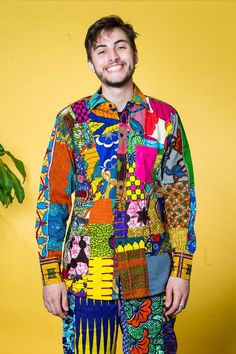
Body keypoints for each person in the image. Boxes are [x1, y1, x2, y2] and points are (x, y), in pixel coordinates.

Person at [35, 15, 196, 354]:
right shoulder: (71, 119)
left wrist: (182, 270)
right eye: (102, 50)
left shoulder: (165, 118)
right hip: (89, 273)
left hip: (152, 276)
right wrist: (51, 276)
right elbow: (53, 200)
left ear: (135, 54)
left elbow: (181, 199)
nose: (113, 57)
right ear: (91, 62)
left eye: (121, 47)